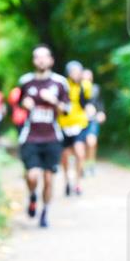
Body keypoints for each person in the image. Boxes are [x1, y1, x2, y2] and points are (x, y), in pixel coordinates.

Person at [17, 45, 70, 228]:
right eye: (37, 57)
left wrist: (53, 101)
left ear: (51, 60)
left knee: (48, 179)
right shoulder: (25, 82)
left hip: (52, 138)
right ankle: (32, 196)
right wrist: (25, 103)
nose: (41, 60)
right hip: (30, 137)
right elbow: (19, 104)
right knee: (32, 176)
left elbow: (66, 110)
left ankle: (45, 212)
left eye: (44, 57)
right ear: (33, 61)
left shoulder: (60, 83)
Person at [57, 60, 93, 196]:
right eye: (73, 72)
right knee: (65, 155)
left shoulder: (86, 85)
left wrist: (91, 109)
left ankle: (78, 183)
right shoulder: (63, 85)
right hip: (64, 124)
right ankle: (67, 181)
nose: (76, 74)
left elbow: (88, 102)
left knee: (80, 153)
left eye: (78, 72)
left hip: (80, 123)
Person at [82, 68, 106, 177]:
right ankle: (81, 165)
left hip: (92, 119)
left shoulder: (96, 89)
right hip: (80, 120)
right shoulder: (77, 89)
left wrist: (101, 113)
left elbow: (100, 103)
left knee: (91, 142)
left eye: (89, 76)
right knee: (81, 145)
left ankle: (91, 164)